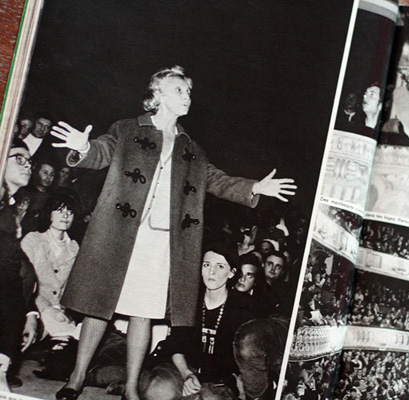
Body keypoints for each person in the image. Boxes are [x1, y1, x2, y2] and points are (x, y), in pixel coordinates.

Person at [50, 65, 296, 400]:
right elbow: (101, 151)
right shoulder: (126, 129)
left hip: (162, 244)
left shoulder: (191, 148)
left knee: (143, 312)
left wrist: (254, 187)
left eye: (189, 91)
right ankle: (75, 379)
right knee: (98, 305)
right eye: (179, 90)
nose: (187, 96)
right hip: (121, 237)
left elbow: (218, 180)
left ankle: (132, 389)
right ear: (158, 94)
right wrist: (83, 148)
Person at [143, 244, 254, 399]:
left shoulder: (243, 306)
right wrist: (187, 374)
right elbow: (176, 344)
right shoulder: (189, 299)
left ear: (231, 273)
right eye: (206, 265)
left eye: (220, 266)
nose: (211, 272)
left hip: (219, 377)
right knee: (159, 389)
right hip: (183, 368)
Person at [0, 138, 39, 392]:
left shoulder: (10, 209)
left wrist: (30, 313)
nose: (28, 166)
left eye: (30, 162)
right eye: (19, 159)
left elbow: (19, 275)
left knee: (24, 270)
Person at [20, 193, 80, 340]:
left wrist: (62, 310)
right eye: (59, 210)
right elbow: (22, 285)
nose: (65, 215)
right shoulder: (33, 240)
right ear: (49, 213)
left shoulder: (75, 247)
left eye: (70, 212)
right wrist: (46, 309)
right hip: (33, 308)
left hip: (61, 312)